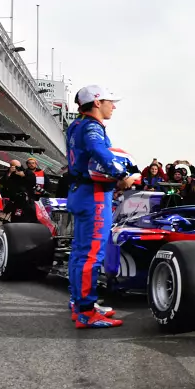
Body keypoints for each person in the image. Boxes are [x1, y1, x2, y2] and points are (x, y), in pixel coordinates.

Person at [65, 85, 138, 328]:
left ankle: (79, 303)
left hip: (79, 192)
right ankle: (86, 311)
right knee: (92, 255)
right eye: (110, 101)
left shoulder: (75, 126)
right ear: (97, 103)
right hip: (94, 195)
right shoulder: (92, 126)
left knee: (79, 252)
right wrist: (122, 174)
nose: (113, 106)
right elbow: (99, 151)